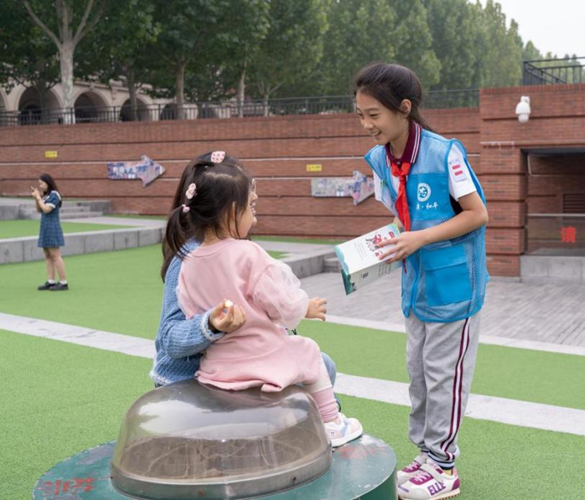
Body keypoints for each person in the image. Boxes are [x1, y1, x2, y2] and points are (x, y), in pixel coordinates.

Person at [161, 151, 362, 448]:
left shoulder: (193, 261)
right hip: (200, 374)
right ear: (232, 210)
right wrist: (302, 307)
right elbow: (283, 303)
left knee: (318, 366)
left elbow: (191, 306)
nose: (256, 208)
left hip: (217, 368)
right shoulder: (240, 253)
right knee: (311, 354)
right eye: (250, 203)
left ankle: (292, 426)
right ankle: (331, 422)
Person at [354, 63, 489, 500]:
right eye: (360, 114)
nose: (366, 124)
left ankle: (444, 466)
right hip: (416, 288)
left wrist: (419, 238)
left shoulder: (444, 153)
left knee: (443, 377)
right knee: (418, 374)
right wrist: (388, 242)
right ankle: (427, 454)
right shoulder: (379, 159)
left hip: (456, 289)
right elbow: (402, 217)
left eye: (374, 114)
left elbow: (477, 214)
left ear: (404, 108)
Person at [32, 173, 68, 291]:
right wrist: (37, 198)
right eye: (39, 184)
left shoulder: (54, 195)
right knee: (48, 255)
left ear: (48, 182)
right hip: (45, 227)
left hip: (52, 227)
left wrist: (38, 198)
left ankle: (63, 282)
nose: (40, 186)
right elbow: (39, 209)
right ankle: (51, 281)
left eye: (42, 183)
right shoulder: (46, 196)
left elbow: (47, 209)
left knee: (55, 256)